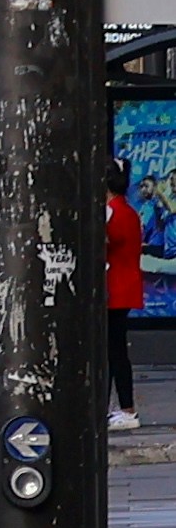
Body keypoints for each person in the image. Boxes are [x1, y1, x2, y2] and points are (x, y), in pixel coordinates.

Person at [115, 175, 149, 429]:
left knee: (115, 352)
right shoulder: (124, 211)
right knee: (111, 352)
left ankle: (127, 410)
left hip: (116, 290)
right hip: (117, 288)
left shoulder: (118, 212)